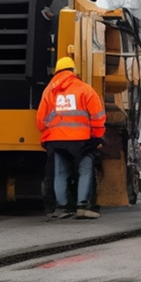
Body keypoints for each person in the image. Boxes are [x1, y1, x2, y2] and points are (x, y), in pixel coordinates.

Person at [36, 56, 105, 220]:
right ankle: (82, 206)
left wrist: (51, 133)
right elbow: (97, 116)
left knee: (60, 172)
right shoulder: (84, 89)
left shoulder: (49, 91)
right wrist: (97, 136)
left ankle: (62, 207)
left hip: (56, 140)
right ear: (73, 71)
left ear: (57, 71)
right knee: (85, 171)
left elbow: (40, 120)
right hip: (82, 140)